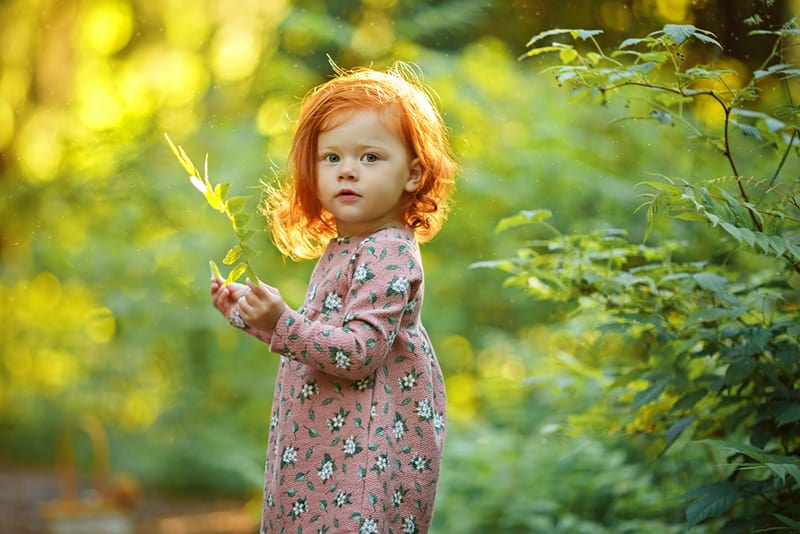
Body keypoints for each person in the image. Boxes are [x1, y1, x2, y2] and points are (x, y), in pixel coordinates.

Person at [210, 63, 457, 534]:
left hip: (363, 455)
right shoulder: (345, 248)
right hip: (324, 444)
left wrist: (283, 320)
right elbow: (316, 342)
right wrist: (256, 316)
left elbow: (358, 352)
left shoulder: (388, 250)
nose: (347, 170)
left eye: (370, 158)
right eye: (331, 158)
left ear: (412, 174)